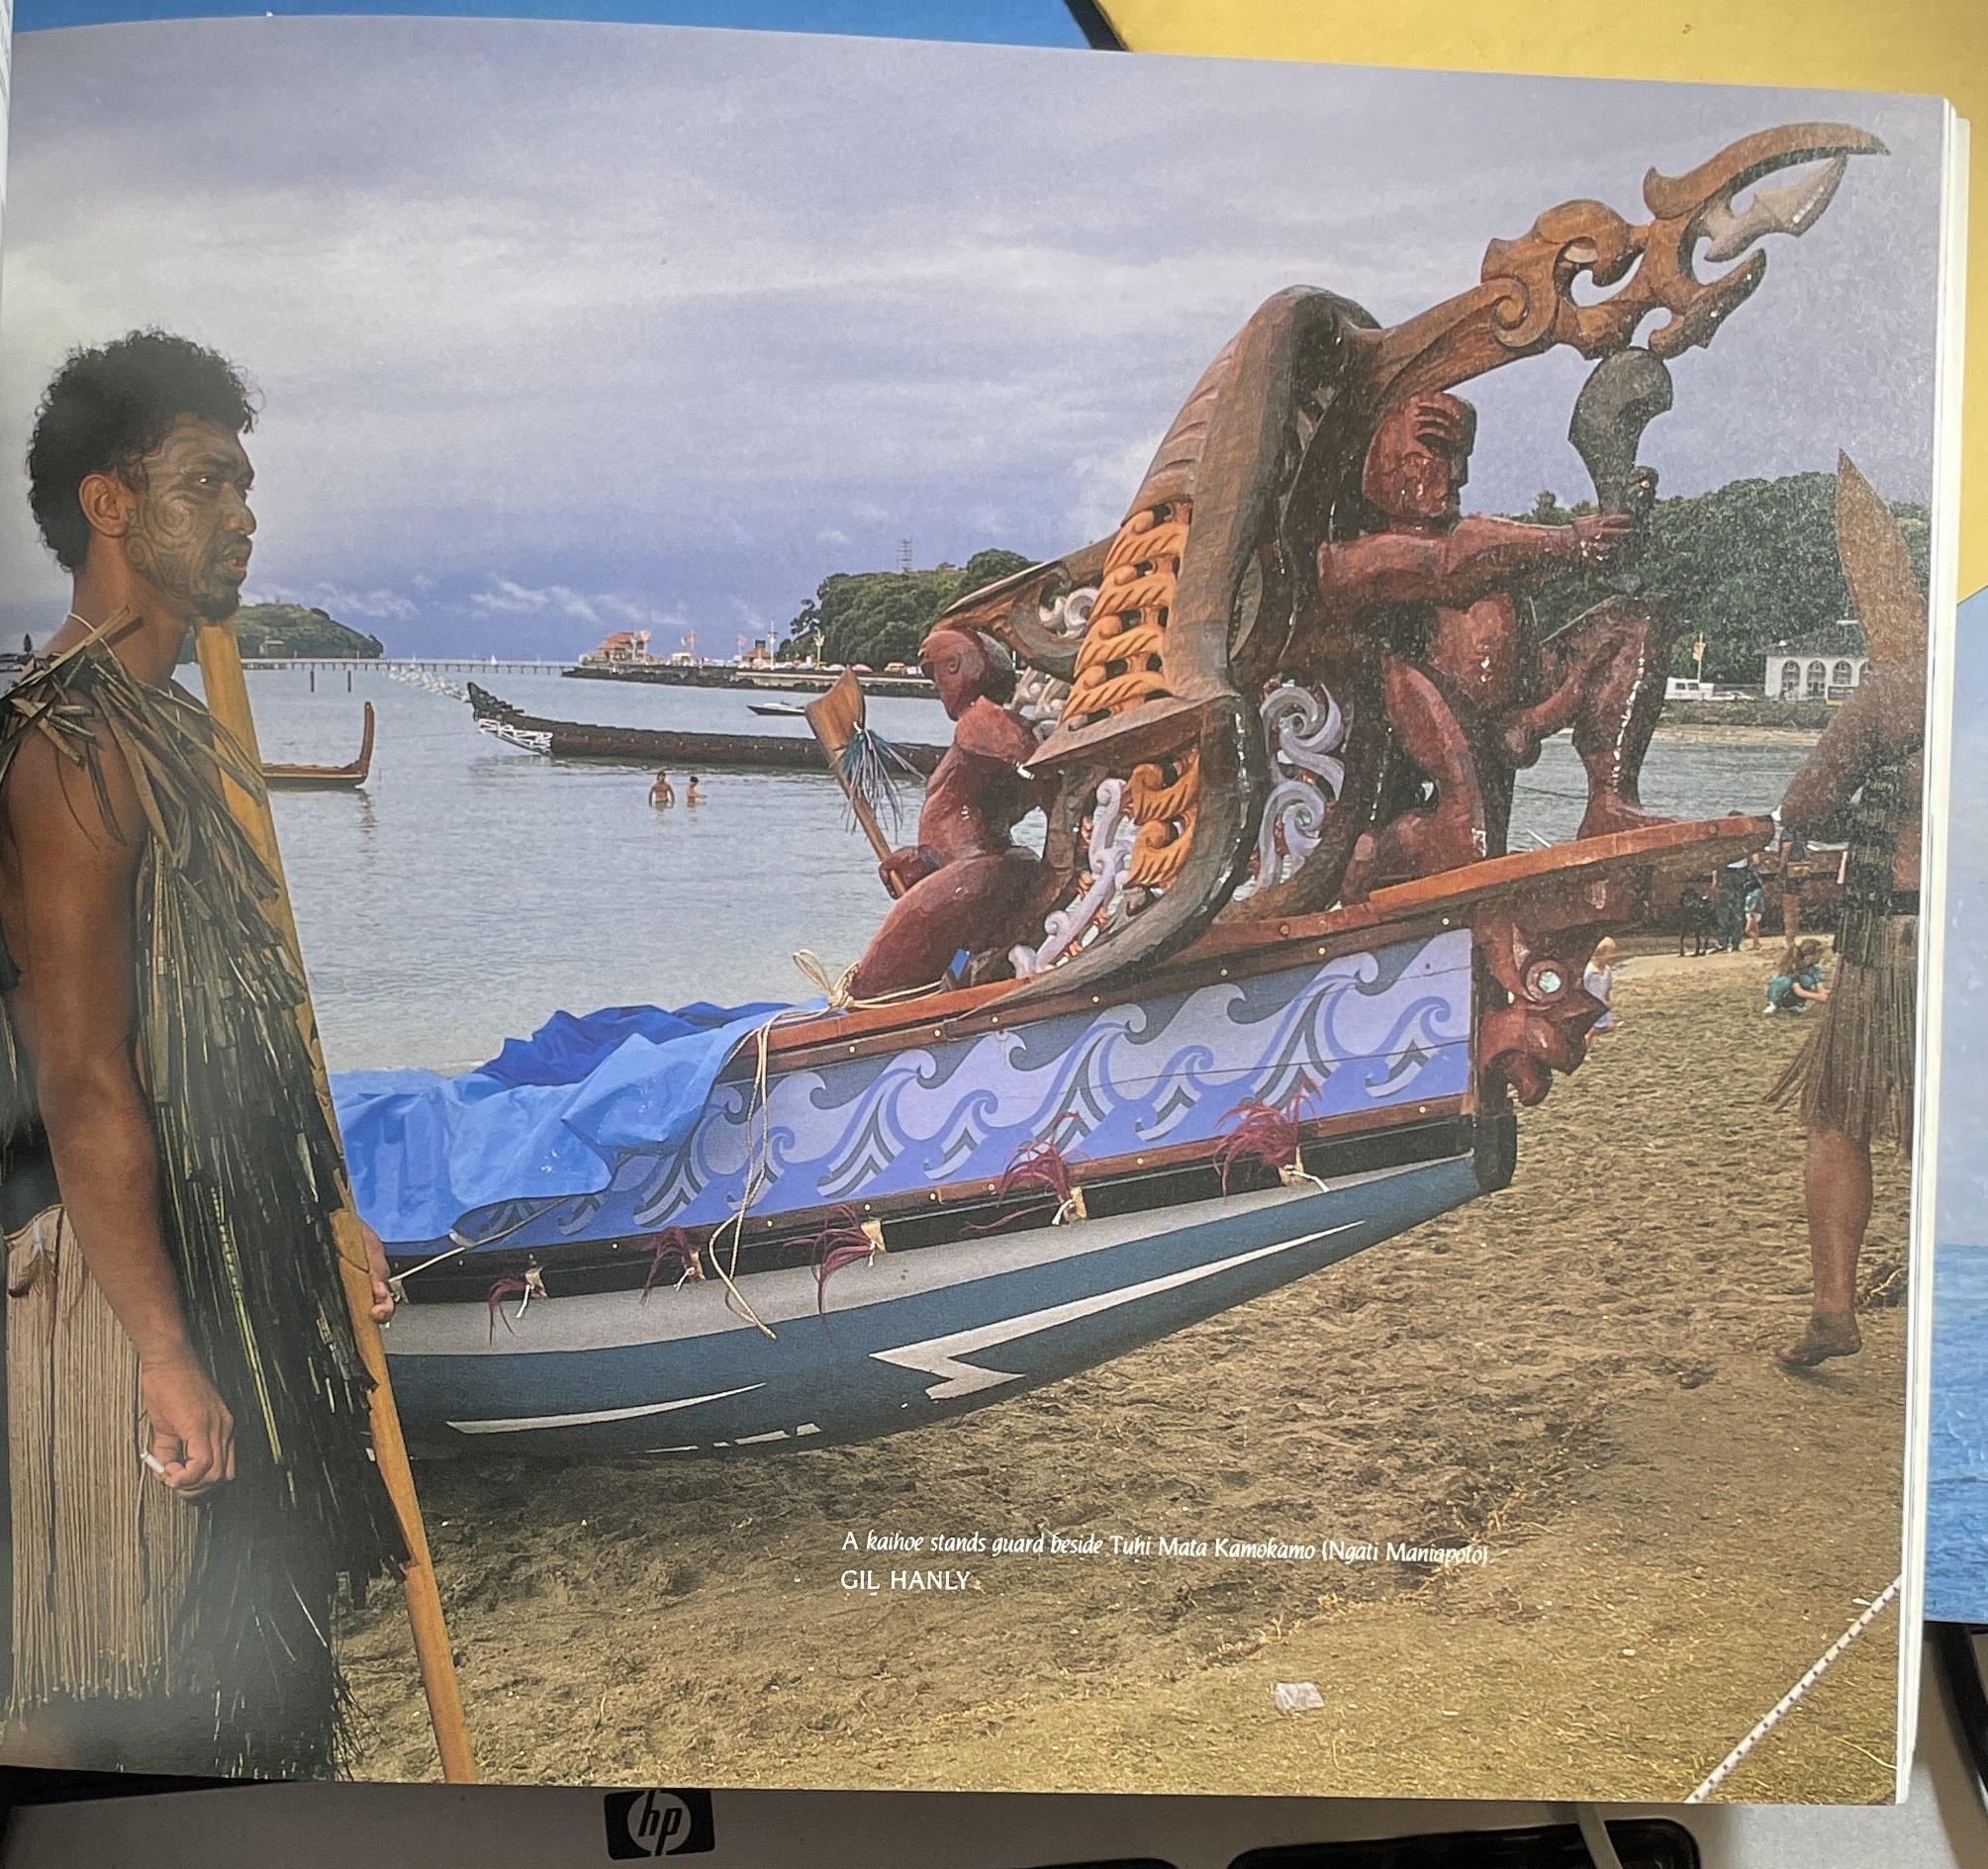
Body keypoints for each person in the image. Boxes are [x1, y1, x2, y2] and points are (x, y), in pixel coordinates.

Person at [0, 332, 406, 1773]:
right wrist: (165, 1355)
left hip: (224, 1252)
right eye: (209, 481)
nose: (244, 513)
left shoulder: (170, 731)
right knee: (93, 1673)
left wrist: (322, 1205)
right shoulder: (64, 746)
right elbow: (85, 1072)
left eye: (245, 483)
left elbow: (232, 1018)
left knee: (223, 1681)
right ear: (112, 505)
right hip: (101, 1286)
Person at [1309, 391, 1667, 895]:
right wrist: (1569, 541)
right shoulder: (1349, 560)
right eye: (1434, 451)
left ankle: (1610, 801)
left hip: (1515, 700)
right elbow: (1449, 564)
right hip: (1422, 712)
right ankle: (1384, 850)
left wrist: (1614, 534)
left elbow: (1507, 556)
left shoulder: (1491, 546)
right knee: (1468, 837)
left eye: (1463, 458)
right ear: (1380, 458)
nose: (1457, 475)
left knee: (1636, 621)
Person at [1770, 655, 1924, 1368]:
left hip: (1897, 933)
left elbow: (1804, 807)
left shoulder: (1906, 684)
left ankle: (1835, 1306)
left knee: (1839, 1117)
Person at [849, 626, 1057, 998]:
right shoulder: (985, 722)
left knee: (874, 985)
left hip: (978, 872)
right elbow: (976, 813)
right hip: (982, 866)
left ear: (956, 666)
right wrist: (925, 860)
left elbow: (1036, 770)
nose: (936, 687)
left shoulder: (981, 720)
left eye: (936, 674)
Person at [1764, 938, 1829, 1015]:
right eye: (1818, 954)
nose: (1820, 957)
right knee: (1789, 981)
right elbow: (1798, 990)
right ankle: (1774, 1004)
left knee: (1807, 980)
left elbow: (1819, 987)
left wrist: (1827, 994)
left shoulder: (1814, 968)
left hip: (1795, 992)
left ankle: (1796, 1004)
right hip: (1783, 992)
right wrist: (1818, 997)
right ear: (1808, 956)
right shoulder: (1794, 968)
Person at [1713, 850, 1760, 954]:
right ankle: (1728, 943)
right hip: (1733, 873)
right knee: (1730, 913)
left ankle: (1729, 944)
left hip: (1735, 874)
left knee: (1732, 913)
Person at [1582, 936, 1621, 1033]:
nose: (1613, 956)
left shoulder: (1607, 970)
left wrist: (1608, 1003)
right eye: (1610, 952)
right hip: (1589, 1008)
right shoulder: (1588, 971)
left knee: (1609, 1026)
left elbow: (1607, 990)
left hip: (1602, 1007)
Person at [1744, 861, 1767, 950]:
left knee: (1748, 930)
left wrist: (1752, 911)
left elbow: (1755, 902)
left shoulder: (1756, 892)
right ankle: (1756, 944)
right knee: (1755, 929)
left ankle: (1756, 941)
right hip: (1752, 912)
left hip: (1753, 912)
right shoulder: (1751, 892)